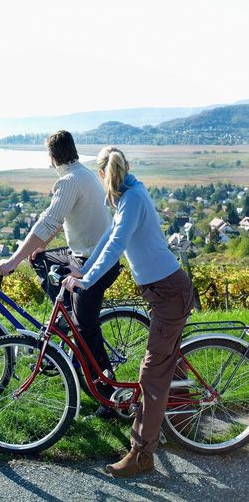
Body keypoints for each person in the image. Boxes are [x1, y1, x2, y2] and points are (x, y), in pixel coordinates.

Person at [62, 146, 195, 478]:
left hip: (168, 292)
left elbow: (118, 244)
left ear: (103, 175)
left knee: (151, 372)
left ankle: (141, 454)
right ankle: (183, 416)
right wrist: (84, 272)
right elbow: (107, 238)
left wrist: (88, 280)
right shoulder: (127, 196)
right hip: (164, 291)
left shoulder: (132, 198)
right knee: (166, 360)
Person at [0, 130, 121, 416]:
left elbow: (47, 224)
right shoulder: (83, 174)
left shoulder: (68, 182)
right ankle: (64, 316)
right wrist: (34, 251)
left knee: (87, 331)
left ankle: (110, 398)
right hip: (85, 251)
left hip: (93, 261)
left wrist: (13, 261)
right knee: (39, 258)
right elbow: (53, 226)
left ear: (52, 156)